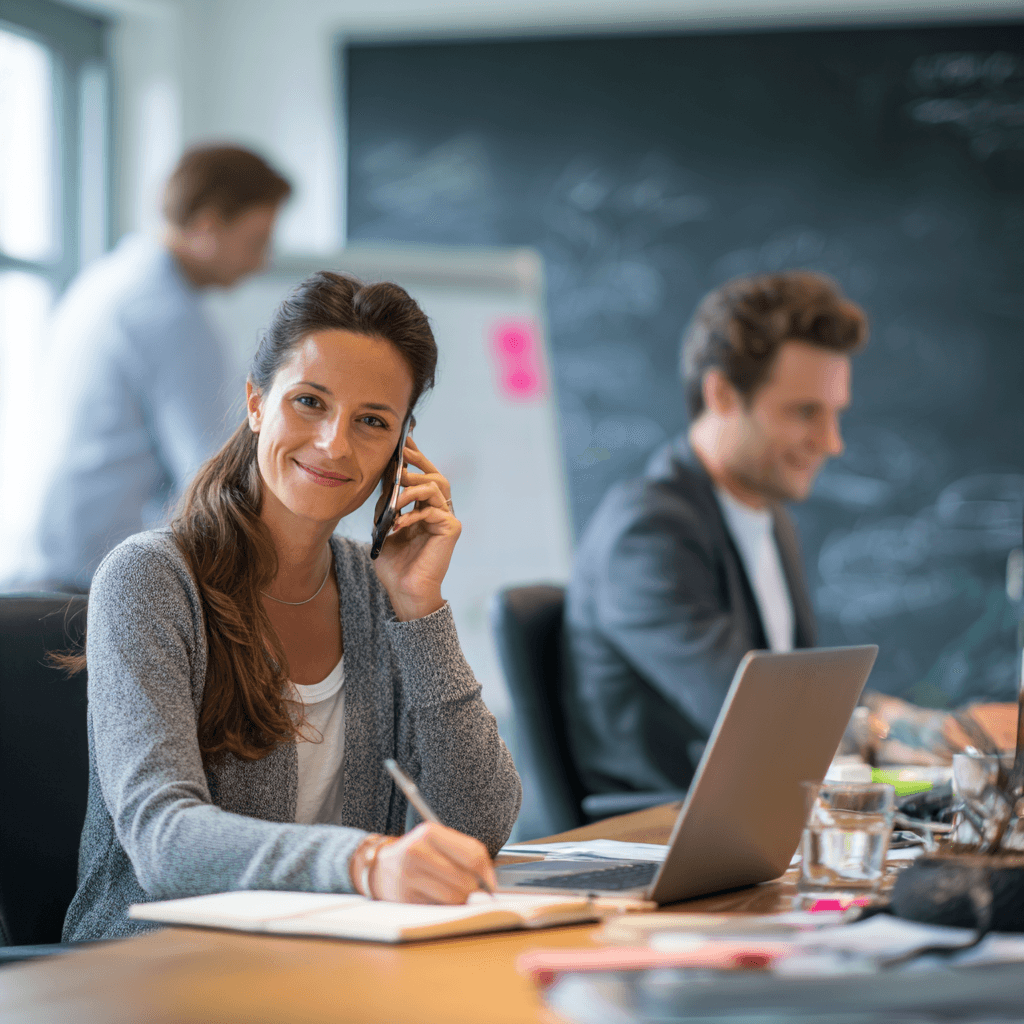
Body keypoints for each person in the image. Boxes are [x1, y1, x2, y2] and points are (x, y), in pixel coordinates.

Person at [62, 271, 522, 941]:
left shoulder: (376, 590)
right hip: (157, 976)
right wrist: (363, 863)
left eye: (372, 421)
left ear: (401, 448)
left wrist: (422, 612)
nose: (335, 443)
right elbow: (163, 839)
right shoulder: (152, 579)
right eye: (310, 402)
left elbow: (478, 822)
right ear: (256, 403)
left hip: (330, 962)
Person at [564, 271, 868, 796]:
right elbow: (757, 720)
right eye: (805, 412)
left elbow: (795, 705)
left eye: (835, 414)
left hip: (750, 821)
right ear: (722, 393)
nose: (831, 442)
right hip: (659, 838)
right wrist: (901, 733)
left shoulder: (770, 518)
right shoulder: (648, 531)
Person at [1, 144, 291, 593]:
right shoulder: (170, 313)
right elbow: (217, 472)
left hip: (42, 561)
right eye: (257, 242)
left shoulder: (110, 279)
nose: (262, 262)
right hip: (88, 579)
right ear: (208, 225)